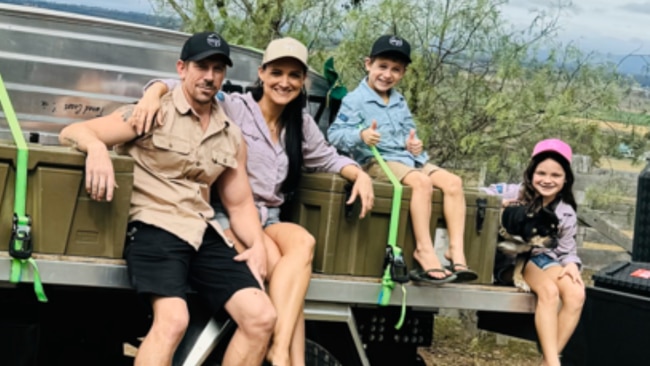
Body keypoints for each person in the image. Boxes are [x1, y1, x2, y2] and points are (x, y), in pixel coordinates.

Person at [131, 37, 375, 366]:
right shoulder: (234, 106)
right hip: (228, 216)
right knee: (283, 275)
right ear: (261, 73)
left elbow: (327, 157)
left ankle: (281, 352)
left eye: (293, 75)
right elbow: (187, 84)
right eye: (276, 72)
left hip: (268, 217)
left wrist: (358, 174)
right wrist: (152, 92)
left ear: (303, 80)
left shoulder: (300, 123)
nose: (284, 82)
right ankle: (291, 359)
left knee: (304, 242)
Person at [59, 32, 277, 365]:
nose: (209, 76)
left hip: (201, 231)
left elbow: (239, 204)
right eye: (201, 66)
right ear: (181, 68)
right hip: (154, 225)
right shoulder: (152, 112)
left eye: (218, 69)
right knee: (174, 319)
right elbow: (73, 131)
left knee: (261, 317)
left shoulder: (230, 134)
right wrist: (98, 149)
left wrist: (258, 246)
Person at [327, 35, 477, 284]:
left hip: (408, 159)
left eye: (396, 70)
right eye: (382, 67)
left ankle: (456, 251)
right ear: (368, 65)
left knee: (454, 183)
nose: (387, 74)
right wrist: (361, 135)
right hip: (379, 161)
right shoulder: (355, 100)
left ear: (403, 73)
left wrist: (415, 145)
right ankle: (424, 250)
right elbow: (334, 135)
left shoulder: (399, 101)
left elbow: (411, 134)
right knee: (421, 183)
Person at [482, 138, 585, 366]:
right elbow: (478, 194)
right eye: (541, 173)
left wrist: (571, 264)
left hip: (543, 259)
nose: (547, 180)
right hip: (511, 260)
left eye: (556, 175)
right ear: (531, 174)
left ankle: (547, 362)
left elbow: (567, 250)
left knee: (576, 293)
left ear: (566, 178)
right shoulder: (513, 192)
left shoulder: (566, 212)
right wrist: (498, 203)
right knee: (549, 292)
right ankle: (553, 362)